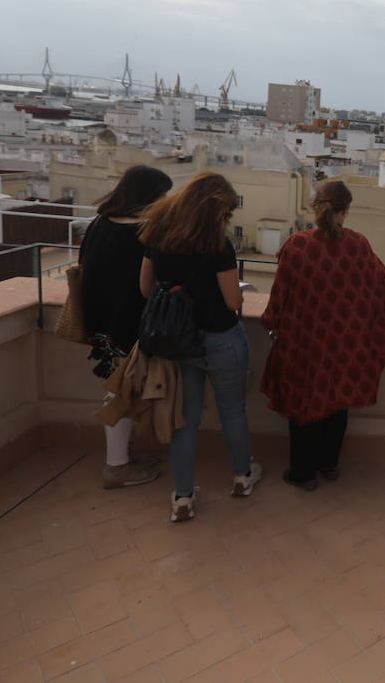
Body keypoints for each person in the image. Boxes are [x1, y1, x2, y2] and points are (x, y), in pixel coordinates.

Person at [139, 173, 260, 522]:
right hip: (221, 339)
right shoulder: (217, 246)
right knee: (233, 410)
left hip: (179, 341)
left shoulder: (157, 236)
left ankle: (183, 496)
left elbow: (146, 289)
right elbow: (233, 299)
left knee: (186, 420)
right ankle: (241, 477)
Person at [260, 181, 385, 490]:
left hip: (303, 342)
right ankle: (329, 464)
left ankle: (303, 473)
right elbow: (381, 288)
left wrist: (270, 322)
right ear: (346, 210)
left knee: (303, 405)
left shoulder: (297, 245)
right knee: (337, 403)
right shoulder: (359, 244)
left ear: (315, 207)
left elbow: (279, 298)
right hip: (343, 343)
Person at [81, 164, 173, 489]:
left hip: (100, 322)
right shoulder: (147, 233)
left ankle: (122, 456)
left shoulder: (99, 224)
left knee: (118, 388)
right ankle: (116, 465)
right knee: (122, 393)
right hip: (131, 325)